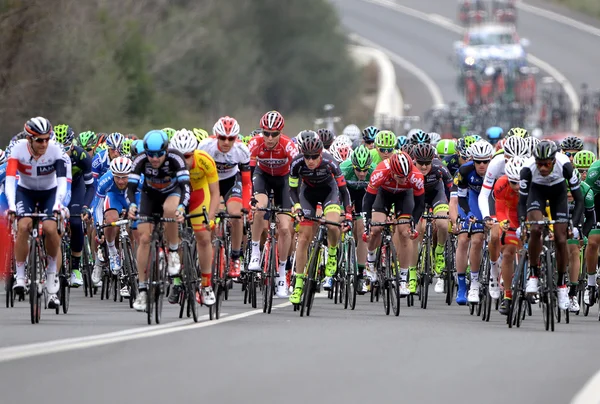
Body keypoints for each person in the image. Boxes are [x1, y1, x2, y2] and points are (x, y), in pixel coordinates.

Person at [6, 117, 68, 309]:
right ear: (29, 139)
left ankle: (51, 275)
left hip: (50, 193)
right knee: (23, 225)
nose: (44, 143)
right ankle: (21, 275)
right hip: (26, 192)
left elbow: (62, 181)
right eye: (39, 140)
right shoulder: (17, 149)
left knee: (51, 228)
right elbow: (10, 181)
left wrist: (58, 204)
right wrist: (12, 206)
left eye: (46, 139)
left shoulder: (55, 150)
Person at [127, 130, 191, 312]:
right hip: (150, 196)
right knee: (144, 238)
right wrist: (132, 205)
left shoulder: (176, 159)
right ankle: (142, 290)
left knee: (170, 210)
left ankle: (172, 252)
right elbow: (130, 188)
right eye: (151, 155)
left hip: (172, 193)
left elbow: (186, 187)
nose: (154, 159)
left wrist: (181, 208)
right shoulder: (140, 160)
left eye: (159, 154)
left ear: (166, 150)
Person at [518, 140, 583, 311]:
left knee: (562, 239)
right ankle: (533, 275)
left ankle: (562, 285)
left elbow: (579, 199)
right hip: (536, 191)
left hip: (558, 193)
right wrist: (522, 222)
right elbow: (522, 201)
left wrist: (574, 225)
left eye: (547, 164)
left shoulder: (566, 165)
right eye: (539, 164)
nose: (543, 168)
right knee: (536, 229)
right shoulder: (527, 168)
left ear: (554, 160)